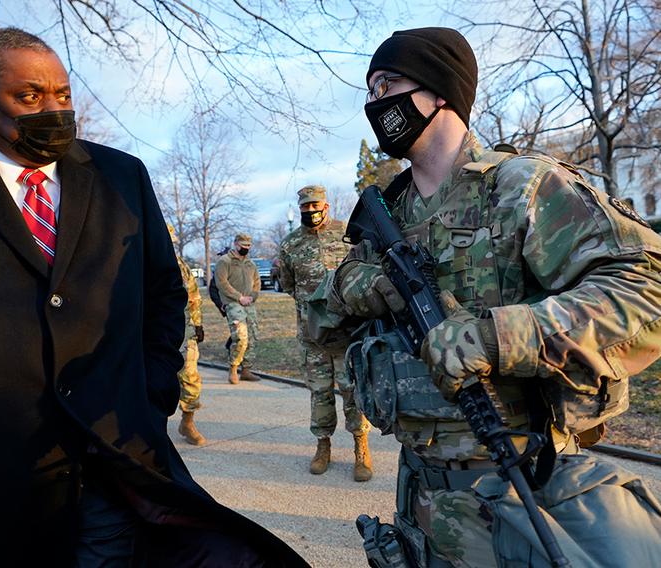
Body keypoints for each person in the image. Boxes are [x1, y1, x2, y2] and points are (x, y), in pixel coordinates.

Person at [0, 28, 307, 567]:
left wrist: (153, 391)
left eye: (62, 94)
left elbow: (162, 291)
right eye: (29, 97)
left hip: (118, 465)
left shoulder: (121, 174)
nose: (52, 109)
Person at [313, 27, 661, 567]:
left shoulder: (522, 187)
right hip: (418, 493)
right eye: (370, 90)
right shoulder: (387, 214)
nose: (374, 103)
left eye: (388, 85)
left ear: (440, 90)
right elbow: (320, 323)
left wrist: (499, 337)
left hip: (518, 492)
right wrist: (352, 286)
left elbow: (647, 285)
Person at [278, 185, 373, 481]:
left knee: (352, 391)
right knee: (319, 392)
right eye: (305, 207)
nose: (310, 211)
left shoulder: (348, 234)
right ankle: (323, 446)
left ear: (326, 206)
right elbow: (289, 284)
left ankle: (361, 448)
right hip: (313, 334)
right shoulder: (290, 244)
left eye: (315, 205)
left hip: (346, 332)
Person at [167, 224, 207, 446]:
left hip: (184, 330)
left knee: (191, 378)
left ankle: (188, 421)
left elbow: (194, 296)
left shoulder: (181, 266)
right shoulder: (138, 263)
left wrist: (198, 324)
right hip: (151, 332)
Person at [214, 233, 261, 384]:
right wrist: (238, 297)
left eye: (248, 246)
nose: (246, 248)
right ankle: (233, 367)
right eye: (243, 245)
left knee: (253, 337)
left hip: (249, 304)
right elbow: (221, 283)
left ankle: (246, 370)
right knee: (241, 336)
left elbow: (256, 282)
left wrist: (252, 297)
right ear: (236, 244)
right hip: (234, 303)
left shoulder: (250, 264)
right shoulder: (224, 261)